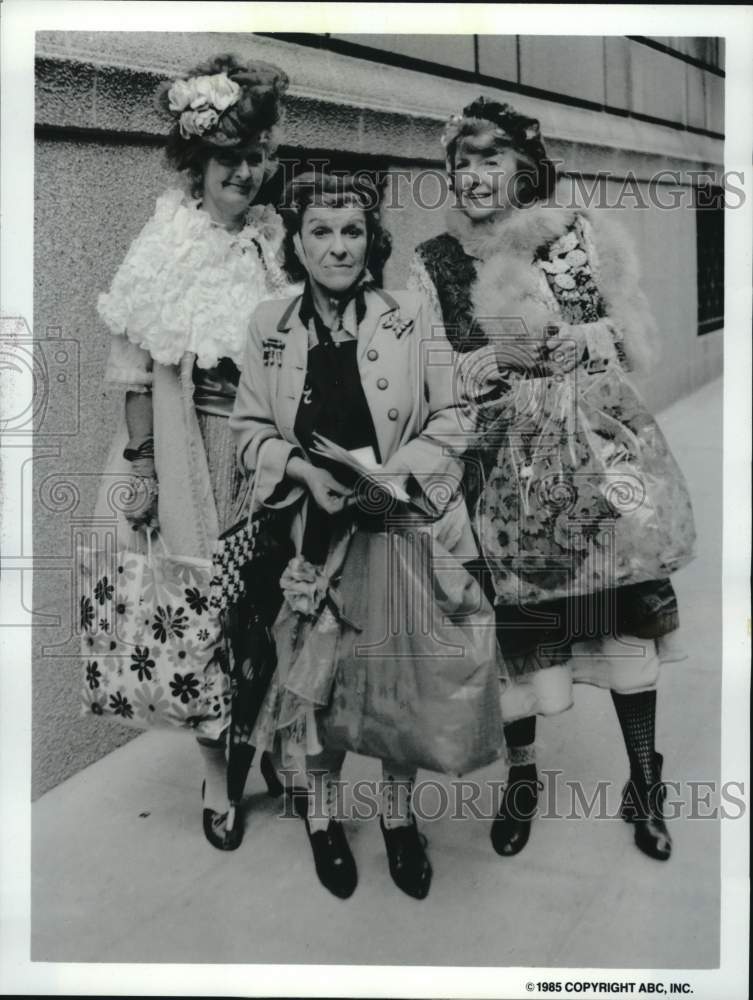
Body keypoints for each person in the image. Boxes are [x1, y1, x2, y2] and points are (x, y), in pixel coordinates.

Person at [409, 97, 696, 862]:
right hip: (502, 466)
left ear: (525, 168)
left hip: (603, 455)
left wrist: (582, 340)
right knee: (519, 625)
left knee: (628, 598)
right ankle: (523, 779)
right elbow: (434, 377)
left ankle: (644, 780)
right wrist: (489, 368)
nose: (472, 177)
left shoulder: (578, 236)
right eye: (461, 162)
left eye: (490, 159)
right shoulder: (434, 262)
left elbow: (632, 335)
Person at [230, 170, 490, 900]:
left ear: (371, 240)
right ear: (298, 241)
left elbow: (454, 418)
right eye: (320, 231)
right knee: (315, 688)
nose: (337, 248)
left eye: (351, 232)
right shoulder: (267, 325)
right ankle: (321, 819)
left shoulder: (411, 314)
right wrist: (304, 474)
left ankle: (399, 821)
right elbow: (247, 431)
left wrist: (393, 475)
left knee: (392, 682)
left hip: (394, 531)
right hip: (308, 538)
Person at [95, 54, 297, 852]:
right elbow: (134, 367)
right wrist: (143, 465)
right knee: (203, 612)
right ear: (196, 165)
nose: (244, 174)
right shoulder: (167, 243)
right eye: (228, 161)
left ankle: (275, 738)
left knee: (274, 604)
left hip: (262, 447)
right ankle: (218, 777)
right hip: (194, 454)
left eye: (255, 158)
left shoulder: (264, 242)